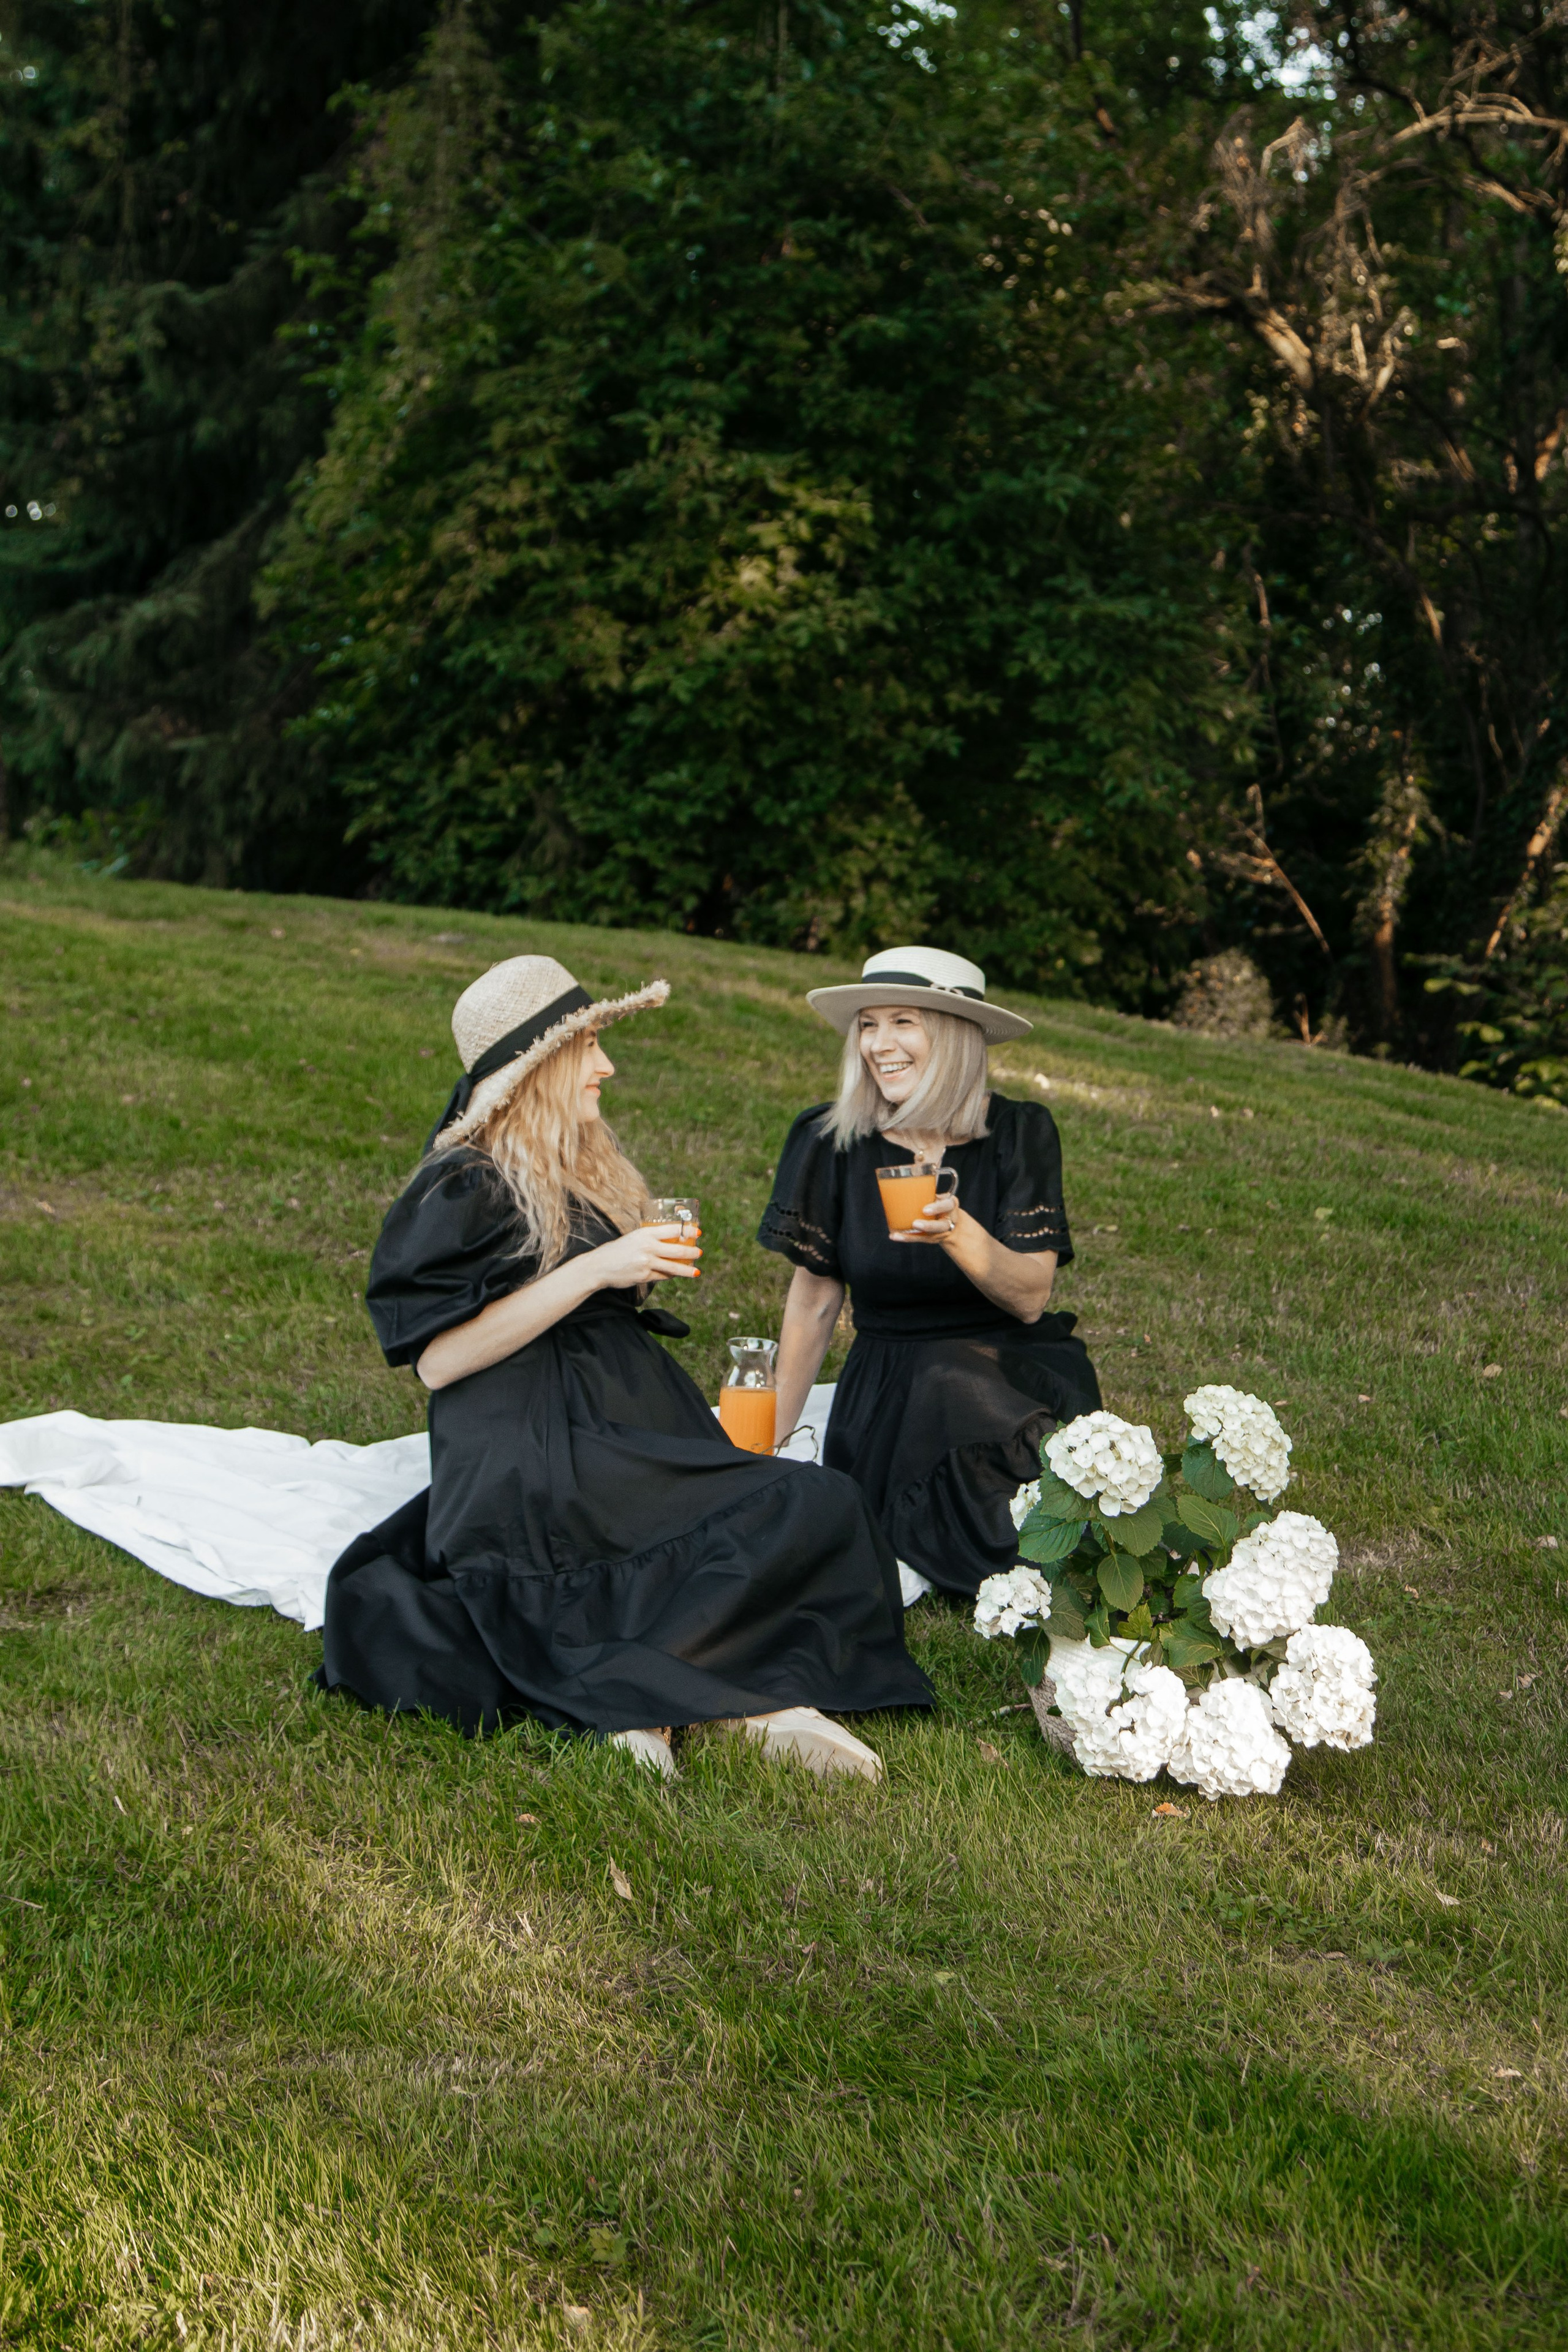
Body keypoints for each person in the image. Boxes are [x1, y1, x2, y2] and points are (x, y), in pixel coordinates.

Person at [315, 954, 930, 1782]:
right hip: (531, 1436)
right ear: (540, 1068)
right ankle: (689, 1700)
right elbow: (439, 1360)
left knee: (818, 1504)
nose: (606, 1064)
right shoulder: (465, 1181)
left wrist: (629, 1272)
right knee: (595, 1556)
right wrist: (598, 1272)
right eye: (590, 1046)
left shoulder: (574, 1161)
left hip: (624, 1421)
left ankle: (716, 1701)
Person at [758, 945, 1101, 1601]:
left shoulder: (1018, 1132)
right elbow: (812, 1308)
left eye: (902, 1021)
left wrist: (956, 1231)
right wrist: (768, 1447)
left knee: (979, 1405)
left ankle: (1027, 1544)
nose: (878, 1044)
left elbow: (1031, 1297)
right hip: (894, 1382)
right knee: (936, 1381)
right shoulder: (832, 1141)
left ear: (953, 1035)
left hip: (1010, 1370)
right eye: (868, 1024)